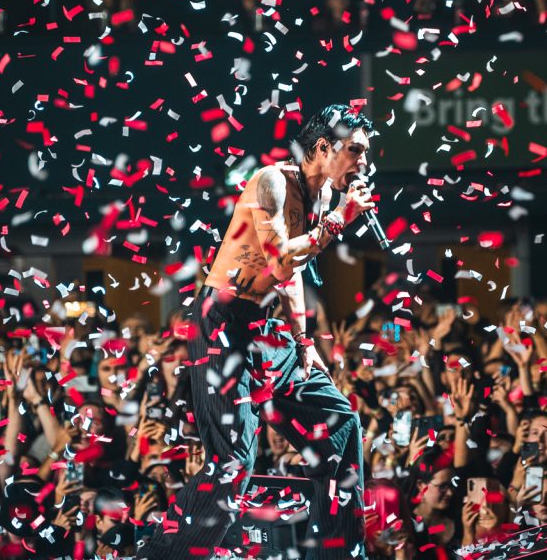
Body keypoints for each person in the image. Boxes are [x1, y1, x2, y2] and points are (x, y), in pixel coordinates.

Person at [137, 103, 376, 560]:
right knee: (232, 463)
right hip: (224, 328)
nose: (363, 163)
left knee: (340, 423)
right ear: (323, 147)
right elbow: (280, 259)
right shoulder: (270, 182)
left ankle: (339, 554)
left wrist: (304, 340)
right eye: (356, 151)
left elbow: (293, 276)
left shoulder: (323, 196)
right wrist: (339, 222)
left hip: (272, 331)